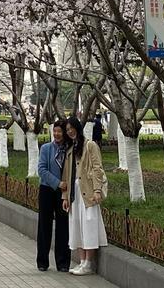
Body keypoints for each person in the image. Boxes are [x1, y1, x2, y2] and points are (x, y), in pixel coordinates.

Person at [61, 115, 106, 276]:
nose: (70, 131)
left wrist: (97, 190)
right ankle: (81, 261)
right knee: (76, 226)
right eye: (67, 130)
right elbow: (66, 175)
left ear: (77, 128)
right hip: (74, 193)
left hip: (88, 193)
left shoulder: (90, 145)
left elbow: (97, 168)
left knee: (89, 225)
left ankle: (88, 263)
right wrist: (65, 197)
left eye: (72, 128)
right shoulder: (70, 149)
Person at [36, 120, 71, 272]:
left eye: (60, 131)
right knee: (45, 225)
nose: (56, 134)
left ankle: (63, 262)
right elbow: (41, 169)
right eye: (54, 131)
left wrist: (64, 186)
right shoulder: (46, 148)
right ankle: (42, 261)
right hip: (47, 189)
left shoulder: (69, 149)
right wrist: (58, 183)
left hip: (63, 192)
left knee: (63, 226)